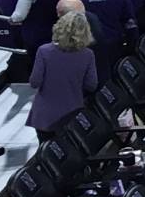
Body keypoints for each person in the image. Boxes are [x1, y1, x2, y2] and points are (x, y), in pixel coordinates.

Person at [26, 9, 98, 141]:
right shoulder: (88, 54)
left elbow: (35, 82)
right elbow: (91, 85)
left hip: (45, 116)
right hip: (72, 114)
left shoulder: (44, 51)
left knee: (48, 154)